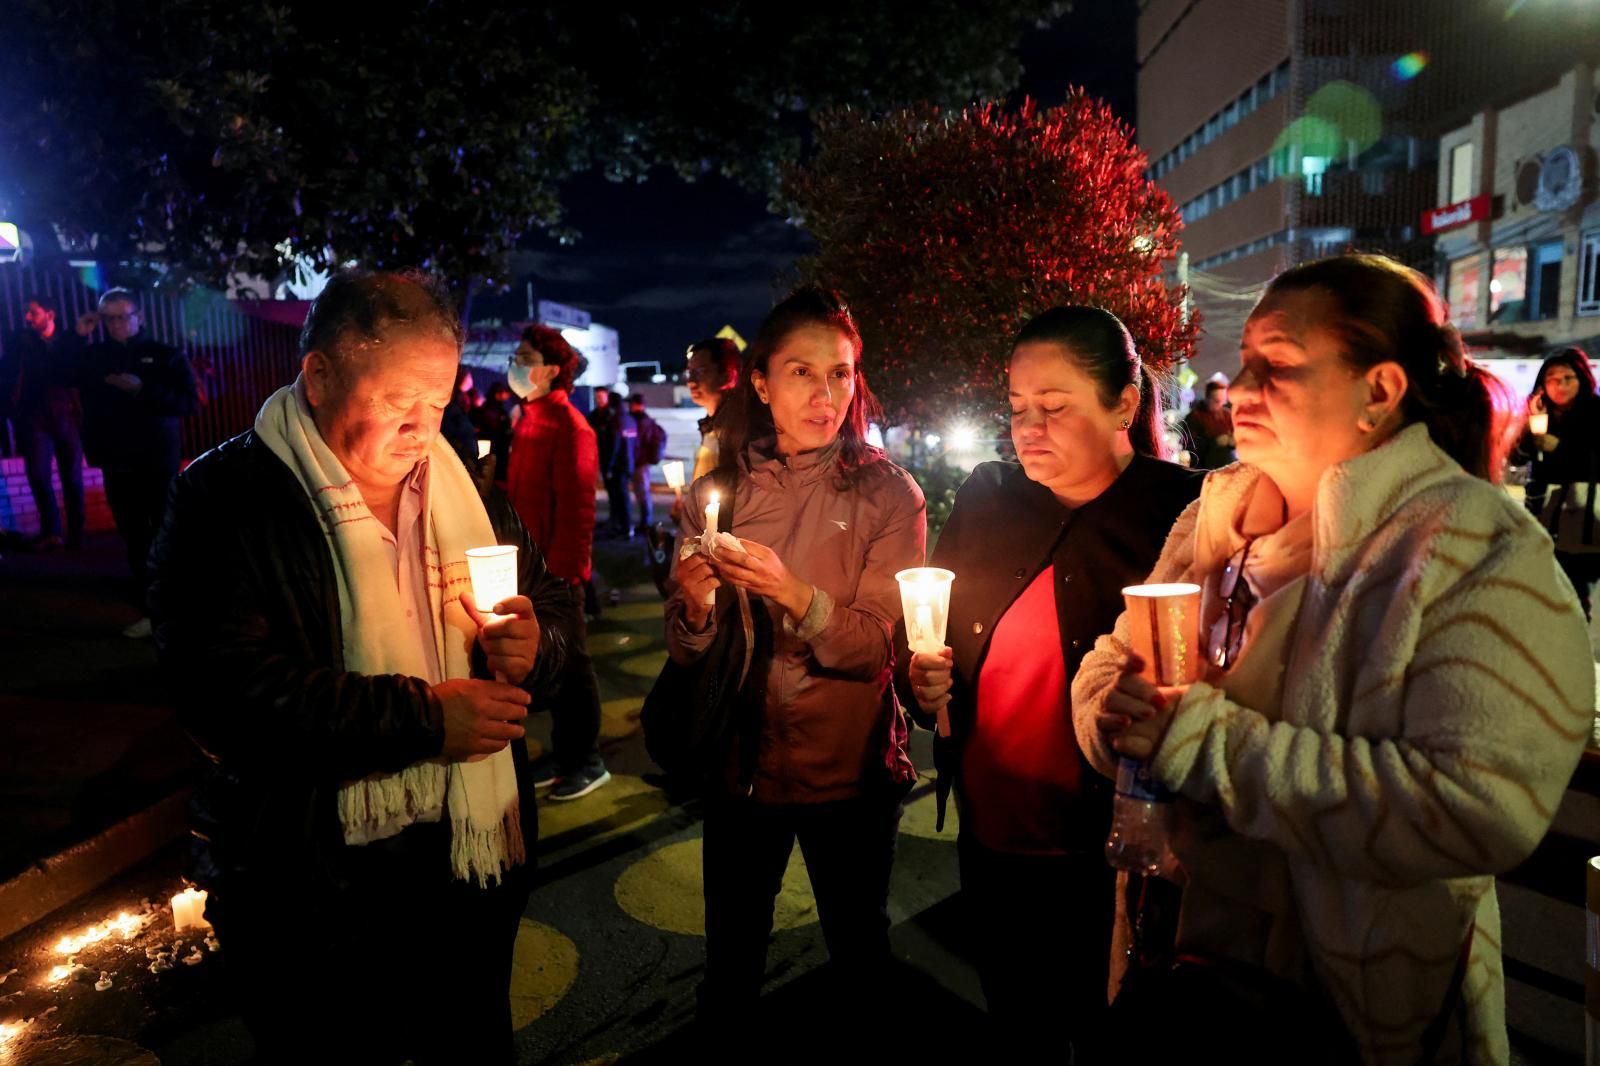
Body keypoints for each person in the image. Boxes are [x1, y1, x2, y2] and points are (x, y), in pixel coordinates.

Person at [1072, 254, 1592, 1063]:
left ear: (1379, 391)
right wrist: (1117, 719)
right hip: (1175, 954)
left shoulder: (1471, 547)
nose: (1239, 390)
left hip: (1346, 1004)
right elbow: (1112, 660)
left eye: (1274, 365)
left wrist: (1204, 744)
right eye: (1243, 363)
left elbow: (1476, 806)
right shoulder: (1218, 512)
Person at [148, 271, 579, 1065]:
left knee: (473, 1043)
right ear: (319, 375)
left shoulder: (467, 493)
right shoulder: (227, 499)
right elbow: (225, 692)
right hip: (310, 872)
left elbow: (551, 605)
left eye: (440, 404)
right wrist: (424, 721)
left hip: (466, 855)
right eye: (399, 402)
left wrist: (534, 644)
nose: (424, 430)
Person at [900, 307, 1201, 1057]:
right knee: (1017, 1021)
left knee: (1115, 1030)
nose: (1028, 428)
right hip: (994, 832)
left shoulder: (1183, 513)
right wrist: (923, 684)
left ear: (1123, 406)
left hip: (1112, 850)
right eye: (1017, 409)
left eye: (1056, 407)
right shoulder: (988, 497)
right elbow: (940, 641)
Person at [664, 287, 926, 1034]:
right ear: (761, 381)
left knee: (859, 957)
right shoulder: (722, 489)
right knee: (732, 962)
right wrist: (696, 607)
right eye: (803, 372)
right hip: (741, 771)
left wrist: (793, 594)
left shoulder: (886, 493)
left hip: (850, 773)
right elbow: (686, 650)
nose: (825, 394)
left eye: (840, 374)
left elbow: (877, 645)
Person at [504, 325, 612, 800]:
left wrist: (566, 575)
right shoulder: (528, 418)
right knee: (548, 664)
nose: (515, 364)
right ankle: (565, 752)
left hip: (557, 573)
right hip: (529, 568)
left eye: (524, 357)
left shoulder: (571, 427)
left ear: (550, 370)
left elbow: (577, 510)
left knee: (573, 666)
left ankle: (587, 759)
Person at [77, 288, 198, 637]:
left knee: (165, 532)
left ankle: (175, 608)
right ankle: (152, 608)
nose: (117, 324)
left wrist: (141, 389)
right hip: (115, 459)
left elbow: (188, 402)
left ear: (139, 317)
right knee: (133, 534)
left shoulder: (165, 355)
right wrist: (76, 336)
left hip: (157, 458)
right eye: (110, 317)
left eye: (124, 316)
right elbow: (60, 376)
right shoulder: (94, 356)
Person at [1514, 347, 1600, 617]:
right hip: (1543, 513)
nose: (1559, 385)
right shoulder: (1540, 413)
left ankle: (1574, 647)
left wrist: (1560, 448)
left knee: (1573, 590)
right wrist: (1533, 422)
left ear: (1582, 379)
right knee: (1541, 585)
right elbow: (1520, 456)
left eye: (1567, 378)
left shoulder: (1595, 412)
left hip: (1583, 515)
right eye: (1552, 378)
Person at [0, 295, 89, 550]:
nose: (27, 317)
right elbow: (8, 371)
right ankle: (52, 531)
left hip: (67, 416)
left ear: (50, 315)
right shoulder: (22, 341)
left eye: (33, 313)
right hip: (34, 418)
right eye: (27, 313)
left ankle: (76, 533)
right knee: (38, 475)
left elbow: (75, 369)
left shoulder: (65, 342)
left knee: (71, 476)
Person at [686, 336, 742, 483]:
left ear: (727, 375)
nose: (691, 382)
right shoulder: (711, 426)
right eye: (690, 372)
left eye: (700, 372)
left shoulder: (739, 430)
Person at [626, 393, 664, 534]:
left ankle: (646, 523)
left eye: (632, 403)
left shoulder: (641, 421)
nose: (629, 406)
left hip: (640, 463)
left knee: (642, 492)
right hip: (640, 462)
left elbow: (637, 444)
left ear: (638, 405)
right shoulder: (644, 420)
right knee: (641, 492)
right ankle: (645, 522)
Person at [1181, 376, 1235, 469]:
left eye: (1224, 401)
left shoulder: (1227, 415)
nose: (1221, 404)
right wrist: (1214, 442)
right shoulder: (1194, 417)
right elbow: (1188, 445)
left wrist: (1232, 440)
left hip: (1227, 465)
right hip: (1203, 468)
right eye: (1217, 401)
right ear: (1208, 398)